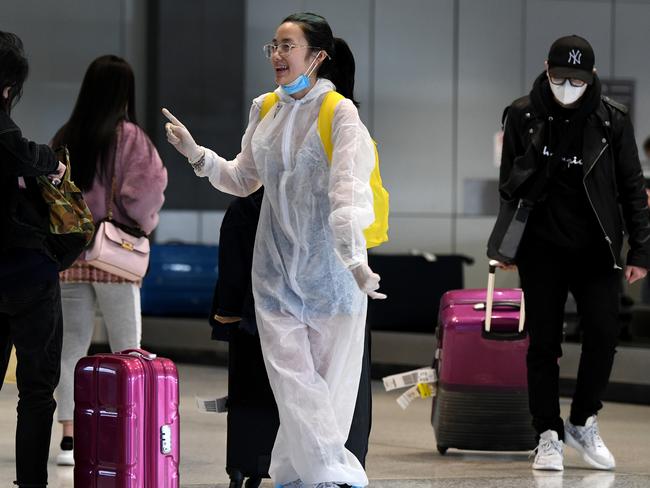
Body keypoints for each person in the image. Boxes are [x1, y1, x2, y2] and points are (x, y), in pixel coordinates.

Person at [163, 12, 384, 488]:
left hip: (331, 275)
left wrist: (355, 262)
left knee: (328, 389)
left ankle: (296, 474)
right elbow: (243, 179)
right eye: (274, 46)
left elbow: (349, 194)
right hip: (275, 273)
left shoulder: (340, 114)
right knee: (293, 383)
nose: (277, 56)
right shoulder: (265, 108)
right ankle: (332, 475)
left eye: (288, 46)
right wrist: (195, 153)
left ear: (317, 55)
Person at [490, 35, 650, 472]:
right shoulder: (522, 114)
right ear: (546, 68)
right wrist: (503, 246)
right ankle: (547, 433)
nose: (567, 87)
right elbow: (509, 188)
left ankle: (582, 420)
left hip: (596, 247)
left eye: (576, 80)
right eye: (560, 77)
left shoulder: (611, 119)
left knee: (603, 334)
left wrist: (641, 249)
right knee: (543, 342)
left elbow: (633, 187)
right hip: (542, 249)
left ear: (592, 77)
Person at [51, 55, 167, 466]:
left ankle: (69, 437)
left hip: (70, 257)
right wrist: (139, 221)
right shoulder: (131, 137)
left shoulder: (66, 135)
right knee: (127, 349)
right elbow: (147, 192)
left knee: (70, 348)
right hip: (116, 259)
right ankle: (126, 430)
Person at [0, 30, 67, 488]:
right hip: (25, 272)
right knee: (37, 391)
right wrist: (51, 162)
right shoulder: (5, 129)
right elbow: (23, 151)